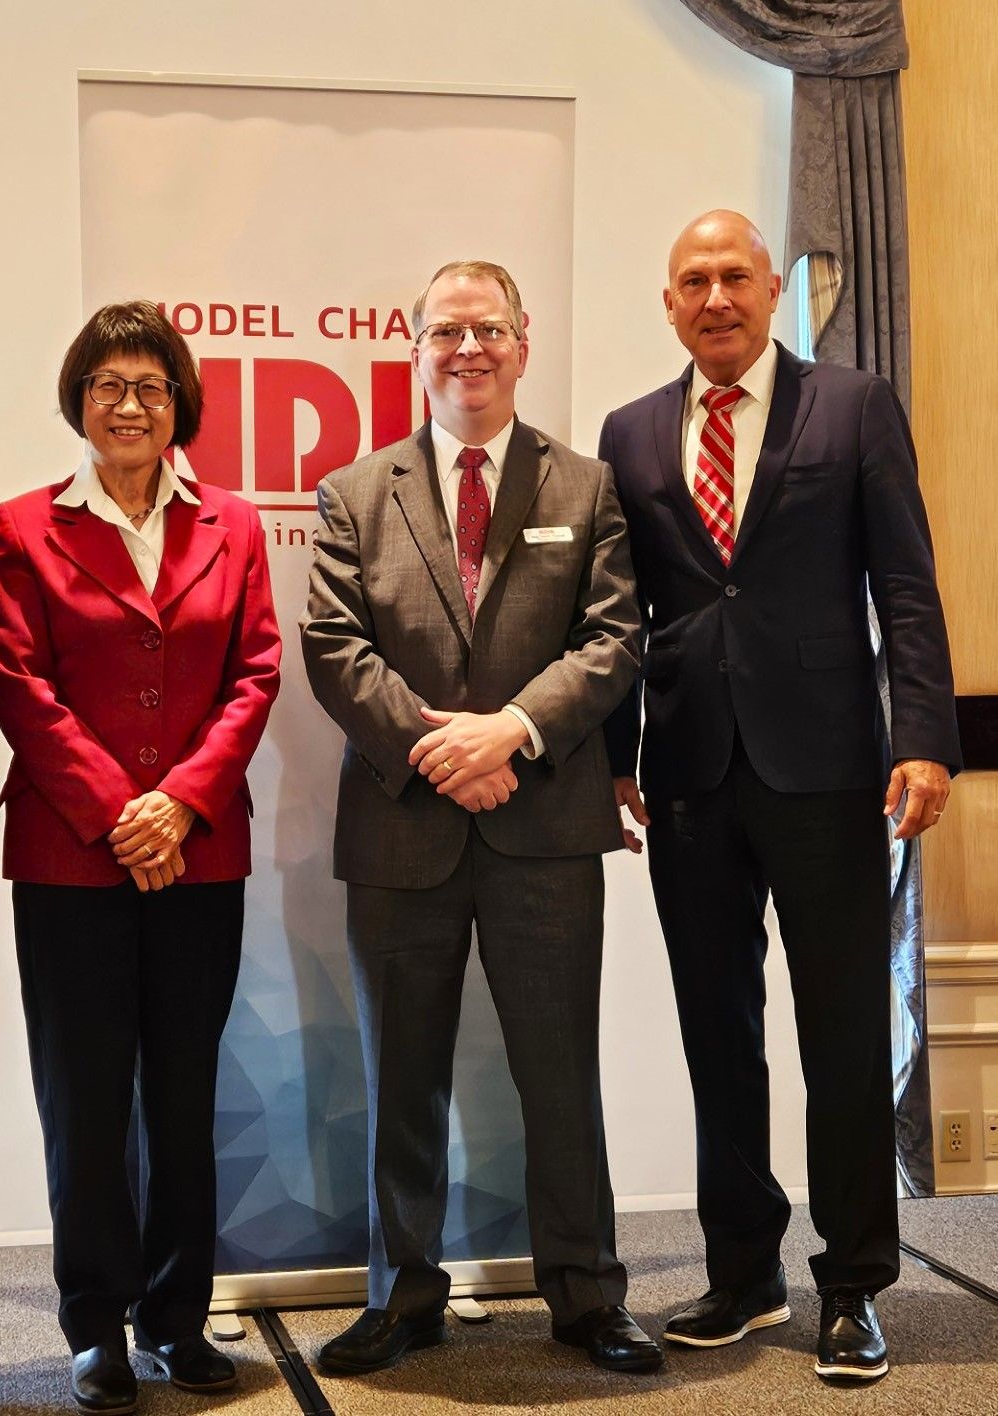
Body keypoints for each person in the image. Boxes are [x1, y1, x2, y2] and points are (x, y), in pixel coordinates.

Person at [600, 210, 961, 1384]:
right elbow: (615, 615)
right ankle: (741, 1272)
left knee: (842, 1036)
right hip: (687, 775)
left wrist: (923, 737)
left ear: (768, 289)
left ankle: (851, 1285)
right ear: (667, 303)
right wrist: (612, 755)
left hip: (827, 768)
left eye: (732, 276)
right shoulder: (629, 431)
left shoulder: (850, 406)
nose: (713, 297)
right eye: (690, 280)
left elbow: (904, 583)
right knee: (717, 1037)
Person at [300, 259, 656, 1378]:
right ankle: (403, 1296)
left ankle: (586, 1295)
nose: (469, 348)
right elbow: (333, 647)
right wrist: (441, 751)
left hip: (543, 826)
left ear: (522, 342)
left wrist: (507, 732)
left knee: (560, 1072)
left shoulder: (584, 487)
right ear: (414, 349)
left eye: (488, 329)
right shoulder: (355, 491)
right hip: (401, 827)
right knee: (400, 1078)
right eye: (446, 330)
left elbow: (613, 639)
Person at [0, 301, 281, 1415]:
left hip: (200, 856)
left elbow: (255, 674)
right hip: (71, 858)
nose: (128, 405)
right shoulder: (25, 527)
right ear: (79, 399)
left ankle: (175, 1317)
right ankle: (95, 1326)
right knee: (86, 1100)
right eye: (107, 384)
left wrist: (182, 805)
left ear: (179, 406)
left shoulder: (234, 525)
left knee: (183, 1093)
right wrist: (122, 812)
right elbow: (20, 684)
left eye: (150, 387)